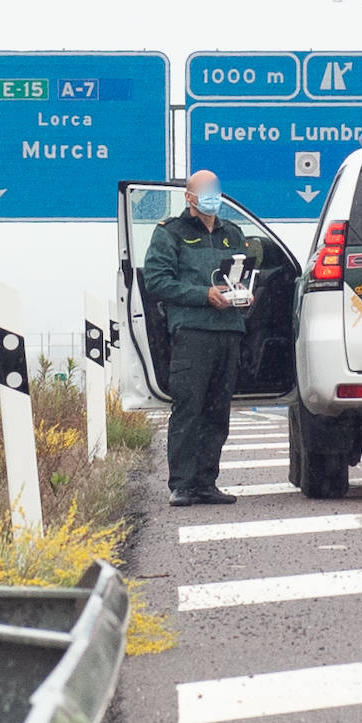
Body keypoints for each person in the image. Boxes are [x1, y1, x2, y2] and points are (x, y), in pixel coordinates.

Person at [144, 170, 247, 506]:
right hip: (192, 331)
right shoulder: (170, 233)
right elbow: (157, 281)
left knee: (218, 411)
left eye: (215, 188)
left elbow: (242, 276)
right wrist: (203, 295)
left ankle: (206, 482)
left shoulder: (233, 233)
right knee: (190, 408)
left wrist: (244, 295)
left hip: (228, 330)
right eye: (203, 189)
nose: (211, 194)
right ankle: (183, 485)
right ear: (188, 196)